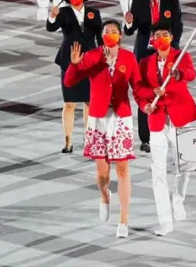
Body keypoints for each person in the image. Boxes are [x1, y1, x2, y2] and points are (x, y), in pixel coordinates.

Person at [64, 19, 142, 238]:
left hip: (120, 116)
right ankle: (104, 195)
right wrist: (75, 64)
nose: (110, 34)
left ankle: (123, 219)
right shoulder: (92, 56)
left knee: (123, 168)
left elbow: (137, 86)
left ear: (120, 36)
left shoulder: (128, 57)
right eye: (106, 31)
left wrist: (146, 103)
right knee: (102, 172)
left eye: (114, 31)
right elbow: (70, 82)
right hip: (98, 117)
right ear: (101, 35)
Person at [135, 25, 196, 236]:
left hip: (180, 118)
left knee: (185, 166)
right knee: (158, 173)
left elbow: (191, 74)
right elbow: (138, 90)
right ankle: (165, 220)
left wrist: (178, 73)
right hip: (157, 121)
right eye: (157, 36)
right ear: (152, 40)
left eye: (165, 35)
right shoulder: (145, 63)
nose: (161, 39)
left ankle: (178, 200)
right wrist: (146, 102)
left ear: (172, 37)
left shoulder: (182, 56)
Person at [123, 0, 183, 150]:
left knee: (168, 92)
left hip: (166, 55)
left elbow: (178, 28)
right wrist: (129, 22)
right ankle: (146, 138)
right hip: (144, 55)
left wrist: (171, 49)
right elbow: (130, 31)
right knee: (145, 93)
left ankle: (170, 132)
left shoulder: (172, 2)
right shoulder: (138, 2)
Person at [47, 0, 102, 153]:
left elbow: (100, 37)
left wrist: (103, 57)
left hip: (89, 61)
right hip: (68, 60)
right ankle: (68, 140)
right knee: (69, 103)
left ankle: (88, 137)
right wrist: (52, 16)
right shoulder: (63, 12)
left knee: (88, 102)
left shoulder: (94, 12)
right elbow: (51, 27)